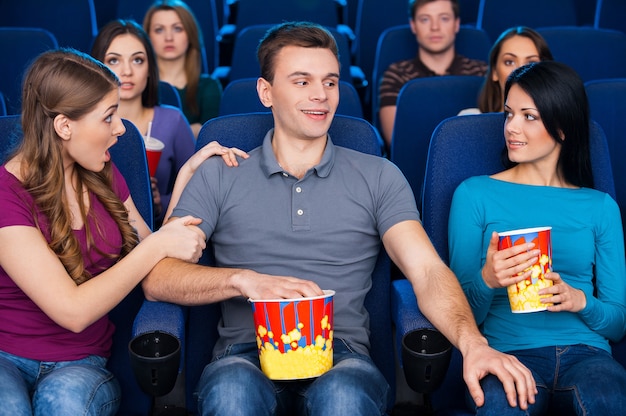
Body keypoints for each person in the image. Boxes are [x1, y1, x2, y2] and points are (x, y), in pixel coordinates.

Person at [141, 21, 537, 415]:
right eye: (302, 82)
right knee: (232, 391)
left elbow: (428, 271)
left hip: (341, 355)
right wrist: (243, 280)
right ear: (266, 92)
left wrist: (474, 345)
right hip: (244, 354)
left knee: (343, 397)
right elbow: (158, 278)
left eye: (330, 82)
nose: (321, 96)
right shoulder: (219, 173)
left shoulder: (379, 174)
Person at [0, 48, 247, 415]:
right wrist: (156, 247)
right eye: (109, 117)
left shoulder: (102, 171)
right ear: (64, 126)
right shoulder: (7, 194)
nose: (120, 129)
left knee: (64, 404)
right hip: (7, 357)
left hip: (80, 363)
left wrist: (186, 177)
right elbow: (72, 310)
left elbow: (154, 249)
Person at [448, 61, 626, 415]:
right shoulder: (474, 194)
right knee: (503, 407)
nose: (511, 127)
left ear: (561, 128)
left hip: (586, 352)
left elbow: (618, 323)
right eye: (509, 114)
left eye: (528, 116)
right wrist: (488, 278)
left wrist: (581, 301)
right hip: (506, 353)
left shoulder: (600, 207)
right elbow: (461, 316)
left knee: (606, 400)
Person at [91, 19, 196, 227]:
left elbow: (199, 189)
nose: (127, 71)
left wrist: (160, 202)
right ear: (96, 67)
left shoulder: (172, 120)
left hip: (158, 231)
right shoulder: (84, 124)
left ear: (149, 68)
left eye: (137, 60)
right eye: (114, 61)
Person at [378, 0, 487, 146]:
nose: (435, 27)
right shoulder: (396, 75)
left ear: (456, 24)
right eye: (425, 19)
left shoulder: (482, 72)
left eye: (444, 18)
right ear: (413, 25)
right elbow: (396, 142)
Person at [144, 0, 222, 138]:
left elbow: (210, 134)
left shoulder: (209, 86)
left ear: (190, 35)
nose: (169, 37)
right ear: (148, 37)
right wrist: (193, 129)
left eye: (177, 28)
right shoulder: (140, 85)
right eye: (159, 30)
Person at [458, 26, 553, 115]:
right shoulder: (467, 120)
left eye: (531, 63)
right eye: (509, 62)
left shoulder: (558, 122)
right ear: (495, 71)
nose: (520, 71)